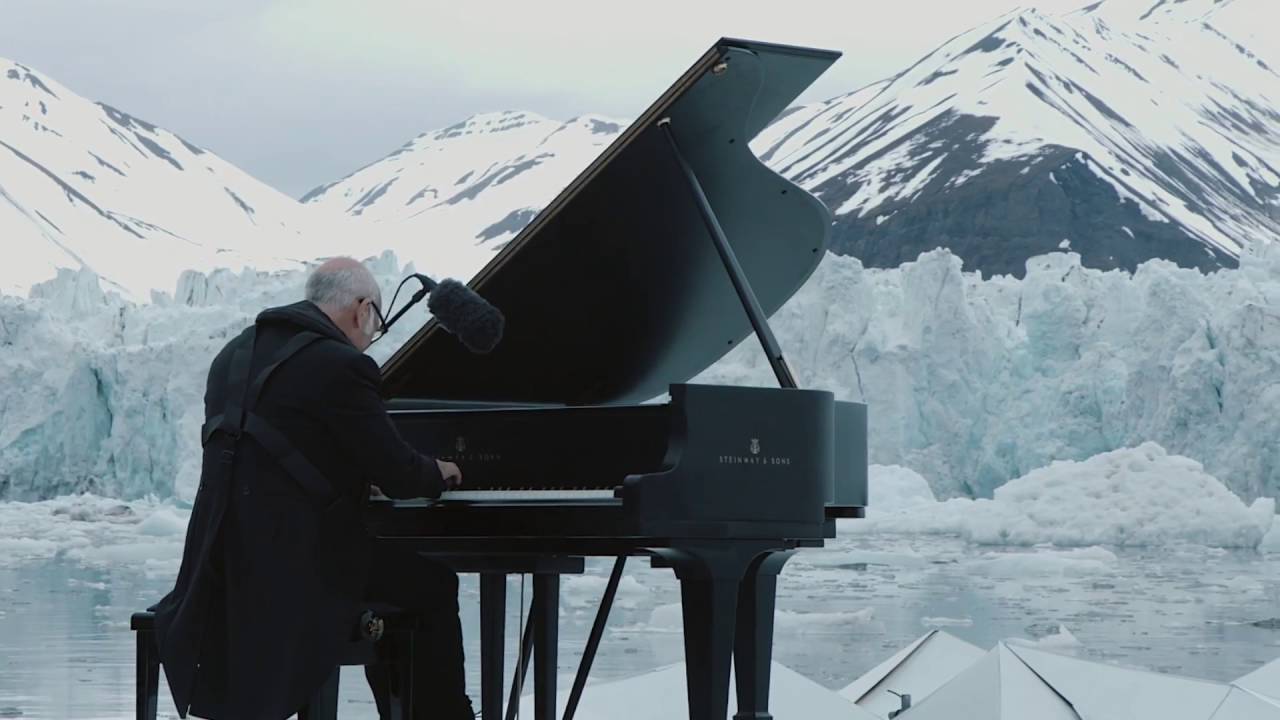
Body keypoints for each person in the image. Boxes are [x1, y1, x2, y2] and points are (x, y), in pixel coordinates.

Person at [151, 257, 475, 720]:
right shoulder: (341, 364)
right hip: (298, 570)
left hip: (220, 562)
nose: (372, 335)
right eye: (376, 322)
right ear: (363, 309)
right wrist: (438, 471)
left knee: (384, 581)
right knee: (435, 586)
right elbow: (400, 474)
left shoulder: (233, 357)